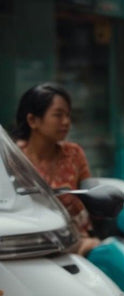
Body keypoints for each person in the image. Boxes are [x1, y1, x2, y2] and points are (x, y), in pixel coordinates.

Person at [13, 83, 98, 255]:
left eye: (68, 115)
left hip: (76, 241)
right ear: (32, 120)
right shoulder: (14, 159)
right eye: (58, 115)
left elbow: (92, 197)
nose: (66, 122)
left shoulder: (74, 154)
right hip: (30, 246)